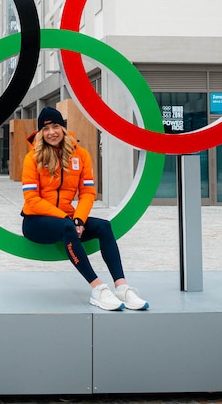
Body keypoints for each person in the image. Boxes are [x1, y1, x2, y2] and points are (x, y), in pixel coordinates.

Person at [21, 107, 149, 312]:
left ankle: (122, 287)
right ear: (40, 133)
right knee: (66, 227)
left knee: (104, 226)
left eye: (55, 126)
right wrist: (67, 219)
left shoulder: (80, 156)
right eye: (45, 129)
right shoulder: (33, 158)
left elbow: (88, 193)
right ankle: (98, 289)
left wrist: (79, 219)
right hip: (36, 221)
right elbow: (32, 199)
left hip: (68, 220)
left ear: (63, 128)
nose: (51, 132)